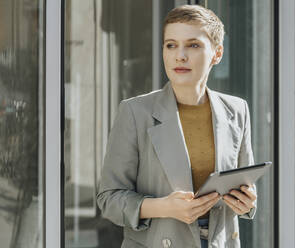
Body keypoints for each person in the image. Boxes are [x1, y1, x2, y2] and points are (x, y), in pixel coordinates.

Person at [97, 5, 257, 248]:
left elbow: (245, 184)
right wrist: (165, 208)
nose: (179, 56)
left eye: (193, 45)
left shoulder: (237, 110)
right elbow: (109, 199)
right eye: (171, 45)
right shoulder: (135, 112)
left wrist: (248, 202)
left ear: (217, 53)